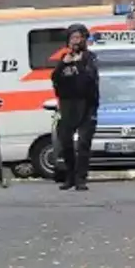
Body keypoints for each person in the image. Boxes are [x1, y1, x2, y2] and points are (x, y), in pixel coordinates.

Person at [50, 23, 100, 191]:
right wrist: (64, 64)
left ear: (84, 39)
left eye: (78, 38)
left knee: (84, 143)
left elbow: (90, 79)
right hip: (67, 106)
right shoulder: (64, 59)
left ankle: (81, 179)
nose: (75, 41)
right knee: (66, 142)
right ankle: (70, 176)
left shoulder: (89, 58)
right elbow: (55, 79)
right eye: (72, 38)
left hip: (86, 105)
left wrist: (79, 65)